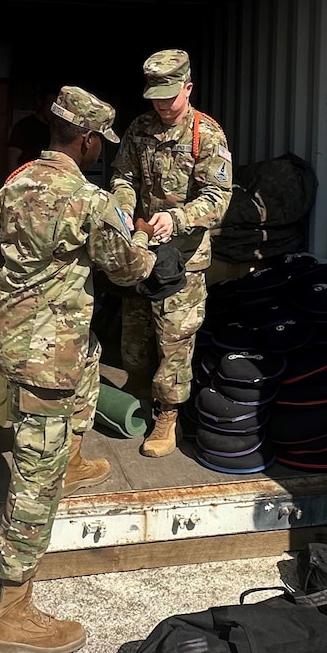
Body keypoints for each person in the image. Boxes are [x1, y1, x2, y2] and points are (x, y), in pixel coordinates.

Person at [0, 86, 156, 653]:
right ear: (84, 139)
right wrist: (145, 243)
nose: (97, 151)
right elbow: (127, 269)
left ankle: (73, 458)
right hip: (46, 352)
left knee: (90, 366)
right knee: (35, 478)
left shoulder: (13, 182)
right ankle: (11, 610)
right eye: (96, 143)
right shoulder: (86, 198)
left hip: (22, 336)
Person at [111, 49, 233, 458]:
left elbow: (217, 197)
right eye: (156, 96)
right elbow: (123, 175)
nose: (162, 104)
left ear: (188, 87)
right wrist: (124, 205)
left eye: (170, 95)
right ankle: (139, 389)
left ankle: (168, 414)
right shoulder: (140, 128)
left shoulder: (206, 134)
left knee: (174, 339)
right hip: (141, 249)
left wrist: (179, 218)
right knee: (134, 337)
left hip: (182, 259)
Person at [6, 86, 57, 171]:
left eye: (55, 106)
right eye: (49, 104)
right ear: (41, 103)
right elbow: (12, 158)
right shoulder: (24, 126)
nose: (51, 109)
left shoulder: (57, 129)